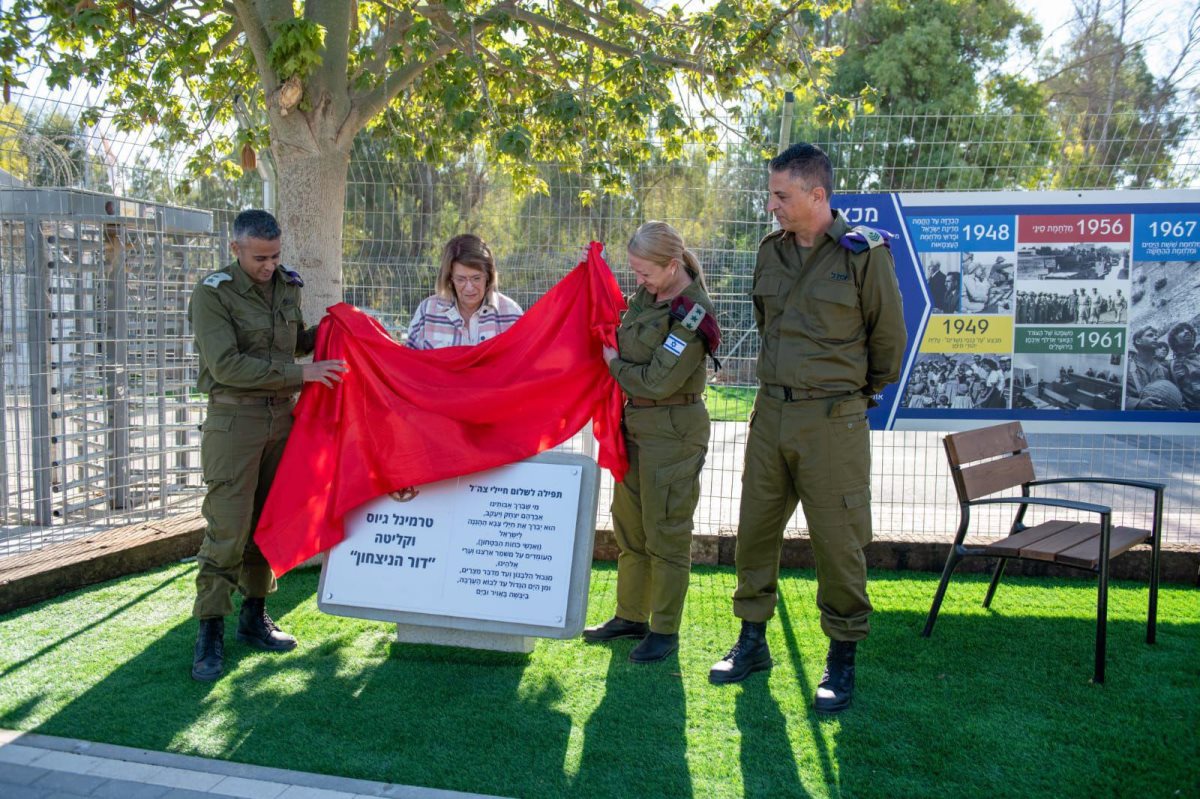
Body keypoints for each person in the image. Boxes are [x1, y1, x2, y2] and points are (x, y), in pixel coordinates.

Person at [708, 143, 906, 713]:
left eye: (781, 195)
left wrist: (850, 395)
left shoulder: (864, 255)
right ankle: (752, 641)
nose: (771, 205)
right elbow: (769, 322)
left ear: (817, 195)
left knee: (838, 542)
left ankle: (841, 657)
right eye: (772, 193)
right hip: (771, 412)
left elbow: (886, 341)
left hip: (833, 419)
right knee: (755, 530)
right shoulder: (770, 252)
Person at [188, 210, 347, 682]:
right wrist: (303, 374)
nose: (269, 266)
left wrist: (335, 330)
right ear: (235, 249)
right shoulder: (212, 294)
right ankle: (209, 630)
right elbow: (227, 365)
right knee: (228, 529)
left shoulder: (286, 286)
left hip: (281, 418)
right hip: (235, 420)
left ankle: (254, 617)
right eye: (260, 257)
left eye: (276, 256)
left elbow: (290, 344)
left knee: (268, 520)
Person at [584, 221, 719, 663]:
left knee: (666, 532)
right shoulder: (648, 296)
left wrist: (612, 365)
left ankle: (664, 629)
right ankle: (631, 615)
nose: (636, 281)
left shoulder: (691, 312)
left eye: (644, 272)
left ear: (672, 264)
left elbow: (659, 379)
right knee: (630, 525)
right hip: (636, 424)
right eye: (634, 272)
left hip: (672, 429)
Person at [405, 234, 523, 349]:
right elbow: (409, 362)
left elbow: (525, 362)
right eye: (461, 279)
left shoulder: (511, 313)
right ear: (450, 278)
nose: (469, 288)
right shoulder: (428, 311)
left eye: (476, 278)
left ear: (488, 276)